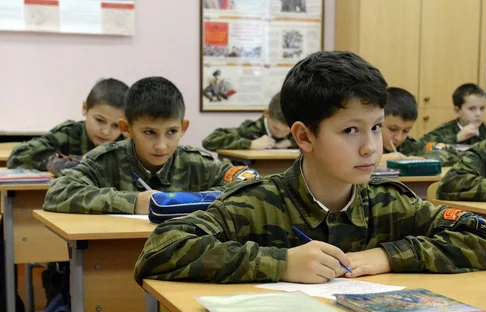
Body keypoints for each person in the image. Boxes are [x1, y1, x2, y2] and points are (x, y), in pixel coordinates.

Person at [134, 51, 486, 286]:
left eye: (376, 127)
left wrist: (388, 256)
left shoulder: (388, 204)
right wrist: (280, 263)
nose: (370, 146)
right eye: (350, 130)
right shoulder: (257, 204)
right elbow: (160, 250)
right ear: (304, 136)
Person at [43, 76, 259, 215]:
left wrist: (194, 200)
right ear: (126, 128)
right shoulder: (104, 161)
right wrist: (134, 202)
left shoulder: (195, 163)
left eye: (172, 132)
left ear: (183, 128)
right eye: (149, 133)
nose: (162, 146)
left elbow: (248, 180)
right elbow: (57, 193)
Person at [8, 78, 129, 176]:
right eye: (99, 120)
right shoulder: (69, 133)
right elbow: (18, 155)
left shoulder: (127, 143)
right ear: (85, 108)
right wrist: (59, 162)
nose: (106, 131)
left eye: (115, 126)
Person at [380, 87, 458, 166]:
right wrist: (379, 161)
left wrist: (422, 160)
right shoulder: (368, 145)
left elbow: (450, 152)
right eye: (393, 129)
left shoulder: (408, 145)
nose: (399, 138)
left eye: (405, 131)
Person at [202, 92, 294, 151]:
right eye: (276, 128)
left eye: (286, 131)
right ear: (267, 113)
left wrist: (292, 142)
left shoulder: (295, 131)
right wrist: (250, 144)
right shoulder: (250, 130)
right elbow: (209, 141)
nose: (280, 134)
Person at [420, 83, 486, 146]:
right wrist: (456, 138)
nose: (478, 114)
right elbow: (421, 146)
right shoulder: (445, 131)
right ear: (457, 111)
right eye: (472, 109)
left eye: (482, 108)